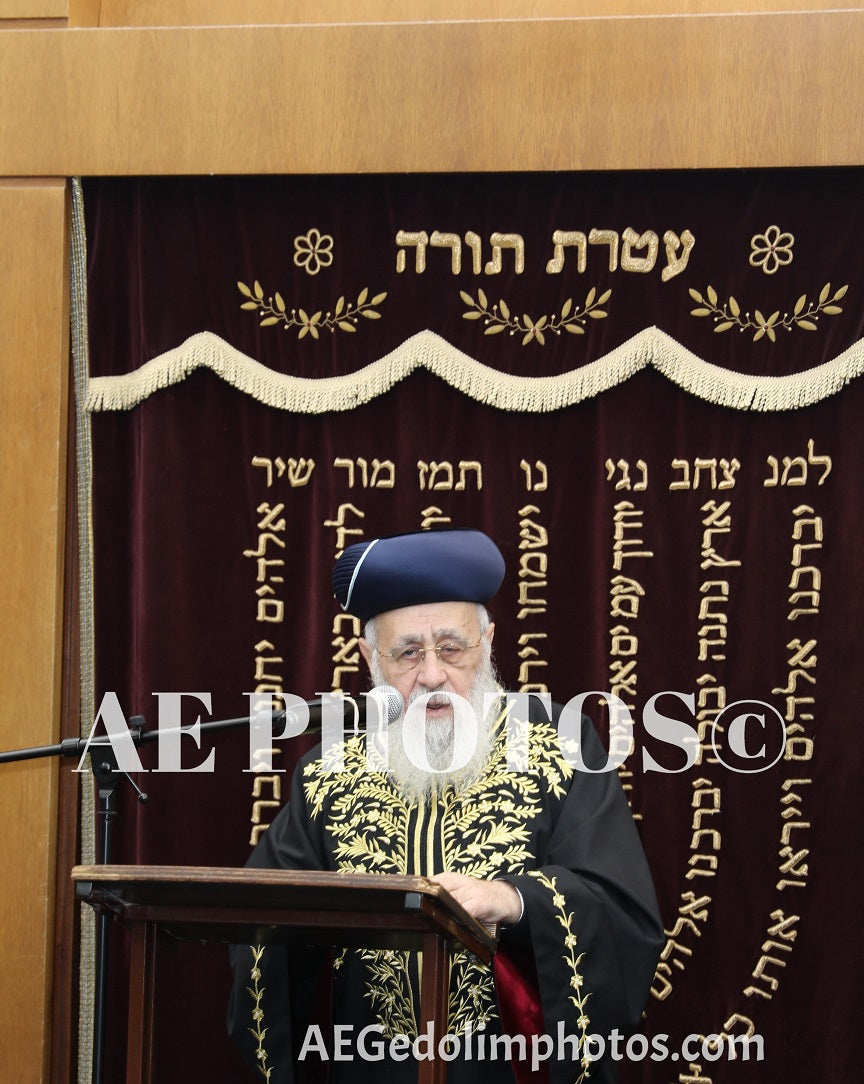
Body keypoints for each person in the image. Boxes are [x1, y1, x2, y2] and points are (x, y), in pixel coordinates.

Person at [228, 528, 663, 1083]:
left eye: (452, 648)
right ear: (369, 657)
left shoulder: (560, 741)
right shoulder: (327, 770)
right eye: (407, 652)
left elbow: (619, 908)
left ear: (487, 642)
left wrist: (512, 900)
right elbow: (260, 921)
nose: (432, 674)